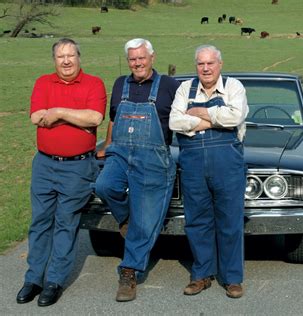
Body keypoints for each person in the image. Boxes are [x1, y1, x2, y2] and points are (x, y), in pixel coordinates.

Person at [17, 38, 106, 307]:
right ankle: (33, 279)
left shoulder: (93, 83)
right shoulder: (43, 82)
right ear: (54, 60)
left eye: (70, 55)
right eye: (60, 56)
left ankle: (54, 281)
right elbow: (35, 117)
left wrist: (56, 112)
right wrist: (75, 116)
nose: (66, 61)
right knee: (41, 222)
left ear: (79, 57)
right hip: (44, 164)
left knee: (66, 223)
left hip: (77, 167)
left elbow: (94, 118)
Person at [94, 38, 180, 302]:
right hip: (120, 153)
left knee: (145, 222)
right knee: (104, 186)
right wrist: (106, 147)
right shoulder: (121, 83)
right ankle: (126, 220)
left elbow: (182, 121)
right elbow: (113, 118)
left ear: (152, 57)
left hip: (154, 158)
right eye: (132, 59)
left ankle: (129, 271)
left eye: (141, 58)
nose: (137, 63)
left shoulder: (168, 85)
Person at [169, 44, 248, 298]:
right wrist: (216, 120)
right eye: (201, 64)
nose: (205, 68)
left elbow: (235, 117)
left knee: (230, 221)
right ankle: (201, 274)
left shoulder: (234, 87)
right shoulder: (185, 89)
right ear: (196, 66)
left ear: (220, 64)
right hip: (192, 165)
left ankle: (232, 278)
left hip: (227, 164)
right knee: (197, 221)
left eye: (210, 63)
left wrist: (200, 114)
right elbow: (174, 121)